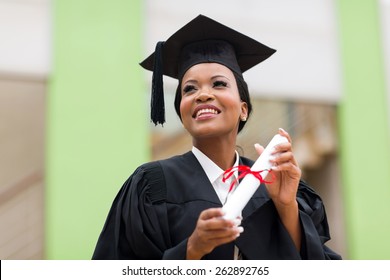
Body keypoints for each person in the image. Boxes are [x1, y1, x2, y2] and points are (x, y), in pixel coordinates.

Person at [92, 14, 341, 260]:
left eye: (219, 84)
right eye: (189, 89)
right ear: (182, 110)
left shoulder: (273, 184)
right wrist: (191, 249)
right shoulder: (151, 185)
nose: (202, 95)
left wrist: (286, 206)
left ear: (244, 109)